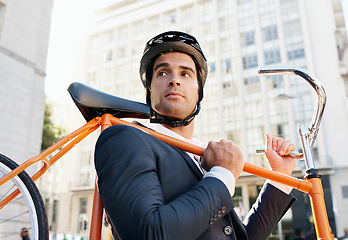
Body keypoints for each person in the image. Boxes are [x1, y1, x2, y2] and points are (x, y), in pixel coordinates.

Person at [94, 31, 298, 240]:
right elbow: (149, 233)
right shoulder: (126, 138)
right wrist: (222, 174)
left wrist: (280, 177)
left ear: (200, 93)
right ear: (149, 91)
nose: (174, 80)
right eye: (163, 73)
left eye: (185, 74)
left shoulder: (202, 156)